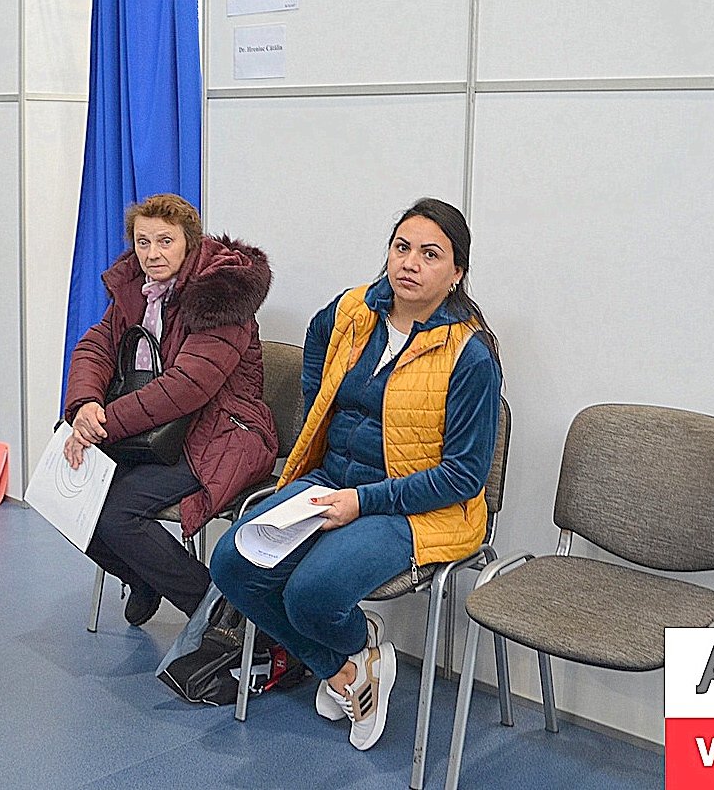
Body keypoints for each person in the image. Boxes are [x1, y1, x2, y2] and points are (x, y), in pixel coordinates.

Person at [210, 197, 502, 751]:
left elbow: (464, 477)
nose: (410, 263)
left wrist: (361, 503)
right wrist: (318, 410)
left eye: (430, 254)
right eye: (402, 247)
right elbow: (316, 340)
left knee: (311, 594)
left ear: (456, 273)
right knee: (233, 562)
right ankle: (351, 665)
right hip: (331, 481)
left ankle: (344, 658)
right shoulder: (354, 310)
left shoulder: (470, 357)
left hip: (416, 508)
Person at [63, 193, 277, 625]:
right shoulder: (139, 289)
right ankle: (143, 577)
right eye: (143, 242)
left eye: (165, 241)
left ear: (189, 242)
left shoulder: (222, 295)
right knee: (70, 495)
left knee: (117, 513)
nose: (152, 254)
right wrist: (85, 404)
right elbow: (96, 347)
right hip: (158, 432)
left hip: (221, 433)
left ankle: (220, 615)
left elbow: (186, 388)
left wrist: (103, 424)